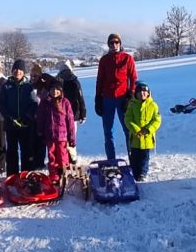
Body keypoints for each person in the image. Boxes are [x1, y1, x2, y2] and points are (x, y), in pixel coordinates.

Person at [95, 33, 138, 161]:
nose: (114, 45)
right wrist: (98, 99)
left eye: (116, 42)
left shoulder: (127, 59)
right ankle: (111, 160)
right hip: (107, 98)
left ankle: (133, 158)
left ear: (120, 43)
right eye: (111, 43)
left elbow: (133, 77)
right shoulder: (104, 60)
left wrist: (130, 94)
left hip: (123, 98)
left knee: (128, 130)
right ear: (108, 45)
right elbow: (100, 80)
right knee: (108, 132)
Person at [0, 59, 36, 175]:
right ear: (12, 71)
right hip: (11, 124)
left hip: (25, 124)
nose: (18, 72)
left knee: (26, 149)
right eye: (15, 70)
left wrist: (27, 116)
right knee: (12, 151)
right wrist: (8, 117)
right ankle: (12, 175)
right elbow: (1, 104)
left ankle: (26, 174)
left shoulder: (28, 86)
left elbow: (34, 103)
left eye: (20, 70)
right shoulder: (6, 86)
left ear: (24, 72)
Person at [36, 81, 76, 178]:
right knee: (52, 156)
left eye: (57, 90)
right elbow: (41, 118)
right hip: (49, 134)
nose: (54, 92)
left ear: (61, 91)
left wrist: (72, 137)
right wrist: (40, 131)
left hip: (62, 136)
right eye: (52, 89)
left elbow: (70, 121)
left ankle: (64, 173)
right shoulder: (45, 102)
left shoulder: (65, 102)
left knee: (62, 155)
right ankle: (54, 175)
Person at [124, 81, 161, 182]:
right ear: (136, 94)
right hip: (135, 138)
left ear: (148, 93)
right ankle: (134, 172)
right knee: (135, 156)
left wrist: (148, 129)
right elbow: (128, 119)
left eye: (145, 92)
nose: (142, 94)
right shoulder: (132, 105)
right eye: (140, 92)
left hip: (147, 138)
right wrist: (136, 129)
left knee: (144, 158)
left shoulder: (153, 105)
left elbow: (157, 120)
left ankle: (142, 173)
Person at [53, 60, 87, 162]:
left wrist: (83, 113)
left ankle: (68, 157)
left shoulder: (61, 81)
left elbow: (80, 98)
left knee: (67, 136)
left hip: (70, 113)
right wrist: (83, 113)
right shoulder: (64, 81)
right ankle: (68, 157)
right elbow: (81, 98)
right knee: (69, 136)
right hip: (67, 113)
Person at [28, 63, 54, 170]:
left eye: (36, 76)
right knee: (32, 141)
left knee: (42, 141)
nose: (33, 78)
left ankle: (40, 162)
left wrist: (46, 77)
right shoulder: (28, 86)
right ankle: (33, 162)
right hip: (31, 118)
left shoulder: (45, 86)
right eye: (32, 76)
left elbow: (56, 84)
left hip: (43, 118)